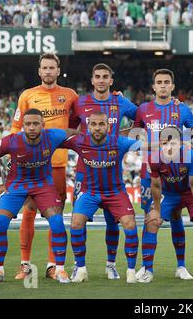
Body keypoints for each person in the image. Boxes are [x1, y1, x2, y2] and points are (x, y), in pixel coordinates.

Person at [0, 109, 76, 284]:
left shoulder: (52, 136)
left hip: (43, 185)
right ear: (22, 126)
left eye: (36, 124)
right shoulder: (11, 141)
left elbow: (73, 133)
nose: (32, 127)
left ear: (43, 125)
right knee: (0, 222)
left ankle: (60, 270)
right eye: (28, 124)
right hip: (16, 186)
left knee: (57, 222)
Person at [11, 53, 78, 280]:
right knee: (28, 212)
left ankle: (52, 266)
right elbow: (15, 129)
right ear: (39, 71)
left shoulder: (70, 96)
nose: (48, 71)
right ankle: (25, 265)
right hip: (32, 166)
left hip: (58, 165)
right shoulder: (27, 95)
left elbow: (80, 124)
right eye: (44, 68)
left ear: (58, 71)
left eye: (52, 68)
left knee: (56, 215)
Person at [69, 63, 137, 280]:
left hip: (111, 171)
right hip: (84, 172)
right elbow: (72, 129)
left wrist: (125, 134)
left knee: (112, 221)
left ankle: (111, 264)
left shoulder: (121, 101)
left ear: (111, 80)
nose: (100, 80)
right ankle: (78, 265)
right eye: (97, 76)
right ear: (92, 80)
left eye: (105, 76)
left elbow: (143, 119)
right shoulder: (80, 103)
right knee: (78, 220)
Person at [134, 69, 193, 282]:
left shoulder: (183, 109)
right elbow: (135, 140)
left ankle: (181, 266)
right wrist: (154, 145)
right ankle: (146, 268)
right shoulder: (143, 109)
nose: (163, 85)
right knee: (150, 217)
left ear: (172, 86)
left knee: (176, 216)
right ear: (153, 87)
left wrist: (191, 141)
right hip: (150, 172)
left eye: (166, 82)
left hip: (175, 172)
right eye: (159, 82)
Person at [63, 112, 141, 284]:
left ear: (108, 126)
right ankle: (81, 269)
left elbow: (145, 145)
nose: (97, 128)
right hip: (90, 192)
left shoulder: (119, 142)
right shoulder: (79, 140)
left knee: (130, 224)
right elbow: (53, 142)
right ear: (88, 126)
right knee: (76, 223)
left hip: (115, 192)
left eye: (101, 124)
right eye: (94, 124)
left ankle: (130, 271)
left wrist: (169, 143)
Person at [141, 126, 193, 283]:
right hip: (170, 194)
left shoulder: (190, 155)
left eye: (173, 143)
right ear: (159, 144)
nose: (169, 147)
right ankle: (148, 271)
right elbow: (155, 185)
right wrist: (156, 210)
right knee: (152, 221)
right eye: (165, 143)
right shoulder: (154, 158)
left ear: (180, 142)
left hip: (190, 193)